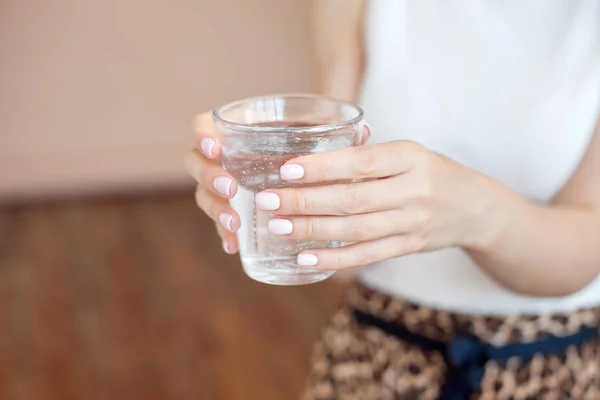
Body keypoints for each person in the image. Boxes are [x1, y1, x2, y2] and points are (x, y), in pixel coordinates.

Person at [186, 1, 600, 398]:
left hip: (553, 361)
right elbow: (344, 260)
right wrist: (274, 195)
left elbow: (586, 246)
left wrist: (476, 212)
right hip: (378, 355)